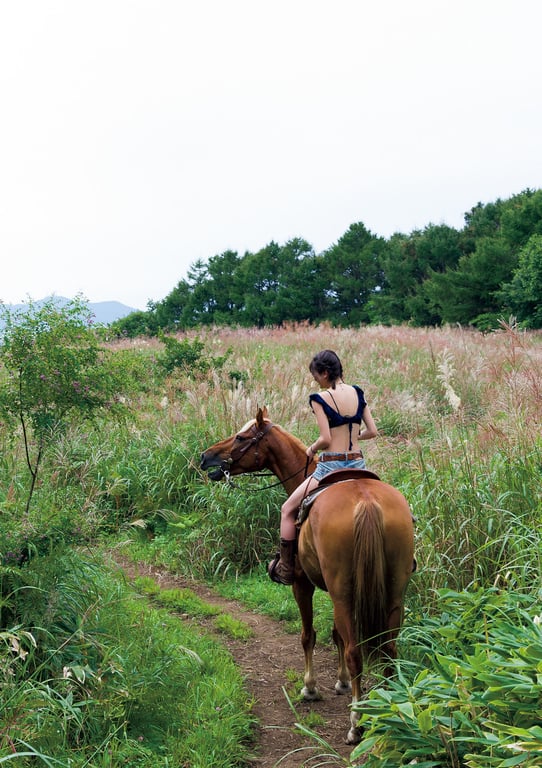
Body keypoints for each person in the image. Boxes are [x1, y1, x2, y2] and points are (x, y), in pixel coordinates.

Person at [268, 349, 378, 585]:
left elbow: (326, 438)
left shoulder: (320, 398)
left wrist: (312, 448)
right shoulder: (357, 393)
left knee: (287, 509)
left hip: (331, 467)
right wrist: (354, 435)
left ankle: (286, 568)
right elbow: (373, 431)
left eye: (316, 376)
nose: (316, 381)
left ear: (325, 373)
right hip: (359, 463)